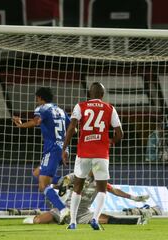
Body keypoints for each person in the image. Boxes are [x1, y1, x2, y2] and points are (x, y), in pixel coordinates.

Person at [62, 82, 123, 230]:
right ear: (102, 95)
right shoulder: (110, 108)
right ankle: (95, 219)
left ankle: (73, 222)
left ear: (89, 94)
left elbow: (71, 127)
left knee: (77, 187)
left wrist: (64, 148)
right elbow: (120, 133)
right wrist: (111, 142)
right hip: (101, 154)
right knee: (102, 189)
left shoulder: (80, 106)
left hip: (83, 153)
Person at [12, 87, 70, 223]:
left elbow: (36, 121)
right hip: (62, 148)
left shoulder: (42, 108)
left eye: (37, 98)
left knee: (43, 185)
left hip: (52, 149)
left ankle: (63, 210)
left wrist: (21, 125)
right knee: (37, 173)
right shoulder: (61, 111)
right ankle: (63, 182)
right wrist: (64, 148)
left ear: (39, 98)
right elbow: (72, 127)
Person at [23, 172, 151, 225]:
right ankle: (33, 217)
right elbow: (65, 180)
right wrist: (66, 185)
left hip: (84, 214)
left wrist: (134, 197)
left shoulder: (101, 182)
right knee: (40, 221)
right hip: (66, 211)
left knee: (109, 220)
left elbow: (115, 191)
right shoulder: (78, 176)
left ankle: (138, 220)